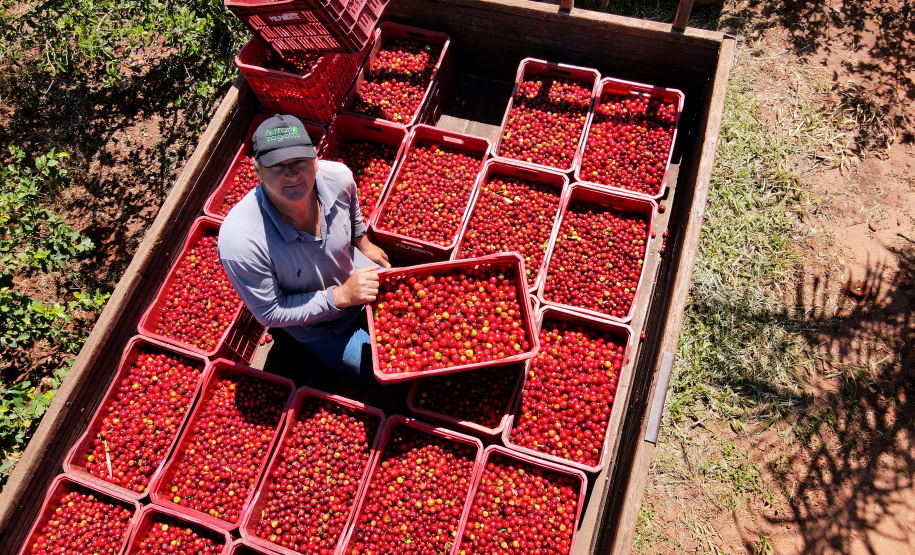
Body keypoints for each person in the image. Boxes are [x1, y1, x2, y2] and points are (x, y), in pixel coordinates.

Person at [218, 114, 390, 381]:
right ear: (256, 170)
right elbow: (270, 312)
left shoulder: (339, 178)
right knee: (374, 370)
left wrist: (362, 241)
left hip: (356, 277)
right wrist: (341, 296)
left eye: (299, 161)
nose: (292, 174)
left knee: (417, 317)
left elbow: (352, 205)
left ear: (315, 160)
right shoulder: (242, 242)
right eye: (277, 166)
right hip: (319, 326)